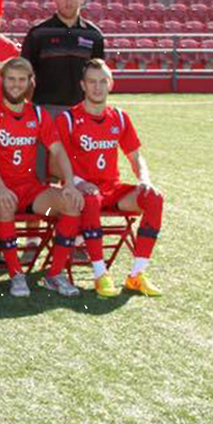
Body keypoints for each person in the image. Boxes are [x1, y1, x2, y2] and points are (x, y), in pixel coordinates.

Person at [43, 59, 166, 298]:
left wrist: (145, 179)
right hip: (83, 190)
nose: (97, 87)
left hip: (112, 189)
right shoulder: (68, 119)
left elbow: (135, 156)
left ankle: (136, 275)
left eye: (102, 81)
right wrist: (78, 181)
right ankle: (101, 274)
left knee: (154, 198)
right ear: (83, 85)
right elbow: (53, 165)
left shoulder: (119, 118)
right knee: (89, 199)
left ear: (111, 84)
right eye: (91, 82)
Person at [0, 57, 86, 298]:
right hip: (0, 187)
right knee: (4, 205)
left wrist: (69, 183)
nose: (16, 84)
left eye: (21, 80)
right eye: (11, 79)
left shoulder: (38, 113)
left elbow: (57, 150)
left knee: (71, 203)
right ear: (1, 80)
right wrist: (1, 188)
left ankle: (54, 274)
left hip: (30, 188)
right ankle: (16, 273)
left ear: (29, 83)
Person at [20, 0, 106, 179]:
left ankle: (75, 210)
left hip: (80, 113)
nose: (69, 2)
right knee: (41, 173)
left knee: (78, 172)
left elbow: (98, 78)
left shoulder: (94, 36)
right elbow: (24, 75)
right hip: (44, 111)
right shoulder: (38, 33)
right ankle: (44, 210)